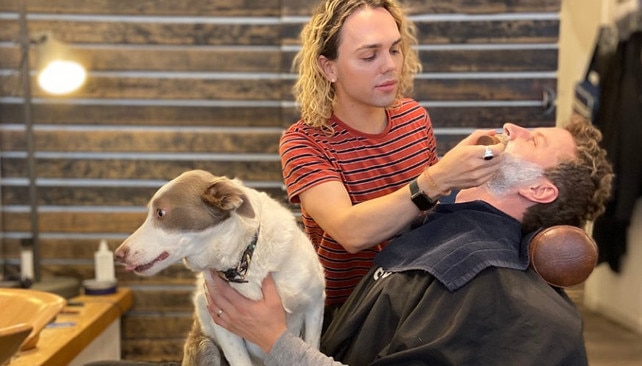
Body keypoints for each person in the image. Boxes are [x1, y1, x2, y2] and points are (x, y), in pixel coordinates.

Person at [206, 115, 614, 366]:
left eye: (534, 139)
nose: (511, 128)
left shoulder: (488, 286)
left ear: (540, 192)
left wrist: (273, 340)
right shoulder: (439, 227)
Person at [279, 0, 506, 322]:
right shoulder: (305, 143)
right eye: (369, 56)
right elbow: (351, 232)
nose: (389, 66)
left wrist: (473, 170)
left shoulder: (413, 117)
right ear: (329, 68)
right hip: (348, 313)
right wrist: (438, 178)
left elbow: (428, 214)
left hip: (419, 296)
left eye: (395, 50)